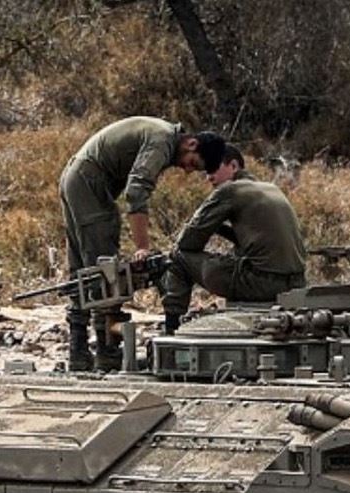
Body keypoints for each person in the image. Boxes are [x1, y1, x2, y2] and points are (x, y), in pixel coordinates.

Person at [59, 117, 226, 370]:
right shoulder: (162, 140)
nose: (187, 169)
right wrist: (142, 247)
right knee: (104, 271)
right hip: (88, 183)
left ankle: (79, 352)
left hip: (76, 178)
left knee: (83, 271)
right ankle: (106, 352)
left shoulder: (163, 136)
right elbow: (136, 191)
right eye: (192, 163)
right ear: (191, 144)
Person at [159, 144, 308, 334]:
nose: (209, 177)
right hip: (296, 284)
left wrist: (208, 222)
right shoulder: (271, 189)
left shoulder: (230, 191)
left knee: (179, 257)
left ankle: (172, 328)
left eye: (213, 168)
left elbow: (187, 242)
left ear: (234, 166)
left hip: (261, 283)